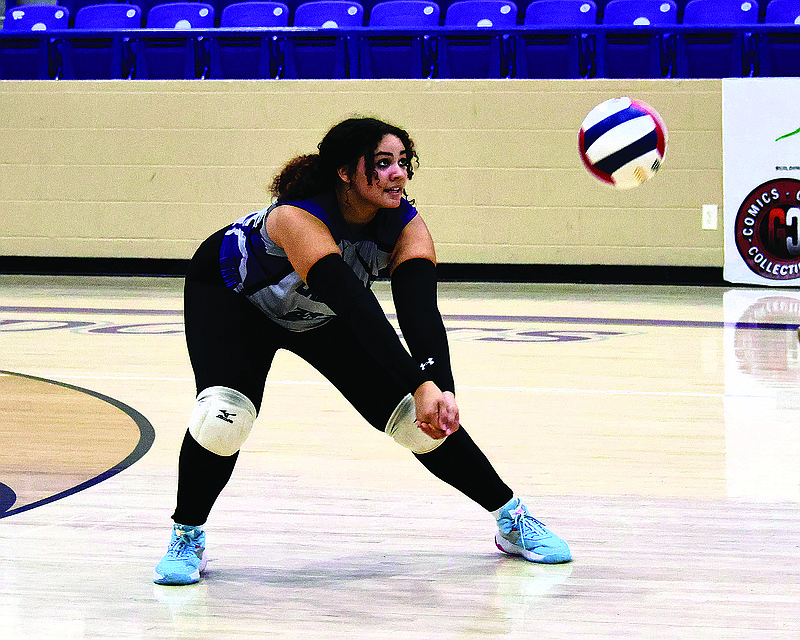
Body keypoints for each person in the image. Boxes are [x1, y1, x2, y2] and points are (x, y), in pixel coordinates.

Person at [153, 117, 572, 586]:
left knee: (422, 421)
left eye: (403, 163)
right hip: (235, 300)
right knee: (222, 418)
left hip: (317, 313)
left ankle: (511, 520)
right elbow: (354, 303)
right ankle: (186, 532)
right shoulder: (297, 216)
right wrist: (419, 380)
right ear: (345, 173)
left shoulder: (408, 226)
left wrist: (438, 387)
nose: (398, 174)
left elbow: (419, 313)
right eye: (382, 163)